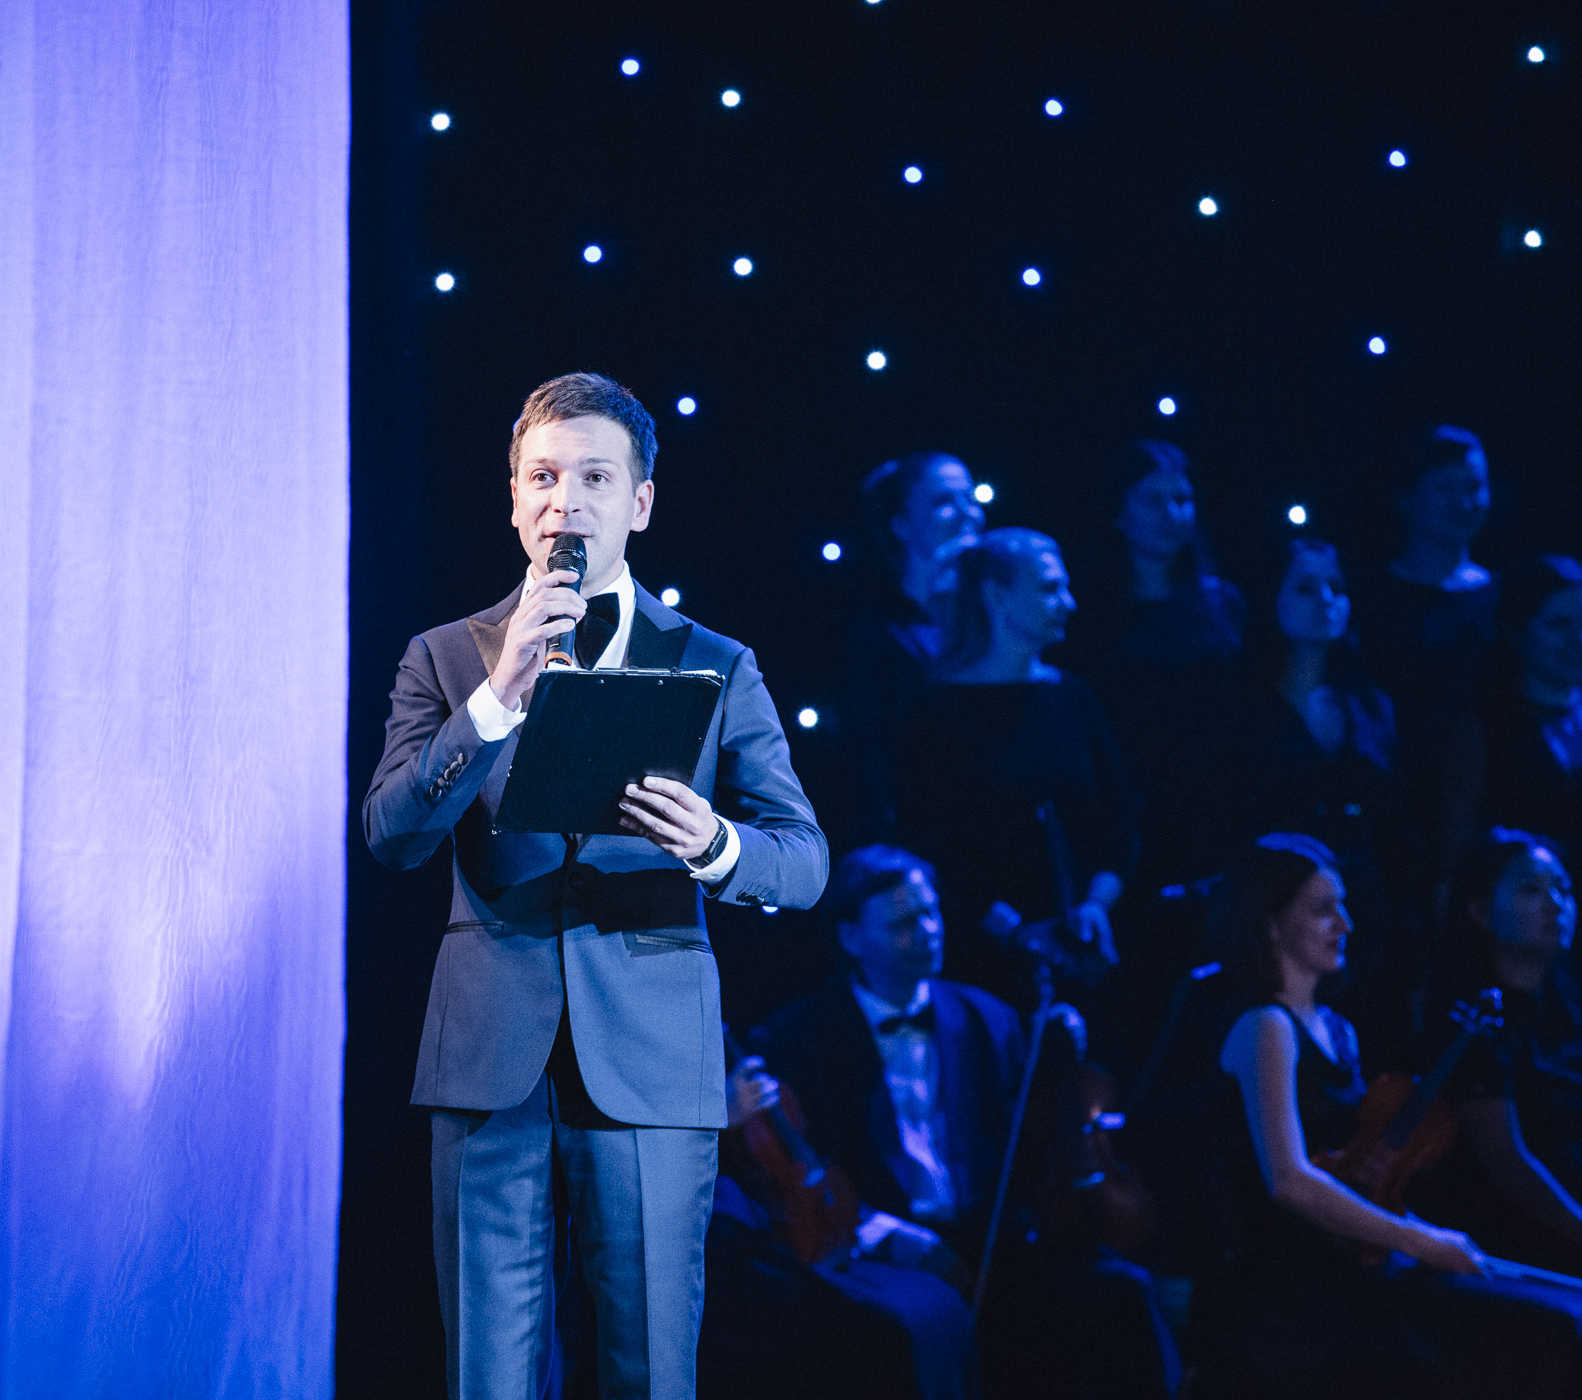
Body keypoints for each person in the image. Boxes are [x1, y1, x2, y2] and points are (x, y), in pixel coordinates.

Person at [364, 372, 829, 1400]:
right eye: (542, 477)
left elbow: (803, 859)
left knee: (649, 1367)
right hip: (490, 1063)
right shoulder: (446, 658)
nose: (564, 502)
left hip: (652, 1059)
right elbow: (391, 835)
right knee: (488, 1373)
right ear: (514, 500)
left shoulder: (714, 662)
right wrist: (497, 698)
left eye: (594, 477)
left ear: (641, 502)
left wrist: (715, 844)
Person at [709, 846, 1177, 1400]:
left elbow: (1024, 1153)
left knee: (1122, 1293)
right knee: (920, 1322)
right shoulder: (797, 1038)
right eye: (904, 923)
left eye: (931, 913)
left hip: (989, 1239)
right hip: (880, 1245)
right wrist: (898, 1239)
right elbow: (804, 1179)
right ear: (852, 937)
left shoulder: (990, 1018)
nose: (929, 931)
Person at [1202, 835, 1582, 1400]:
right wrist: (1421, 1240)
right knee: (1547, 1332)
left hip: (1359, 1261)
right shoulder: (1266, 1027)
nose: (1345, 924)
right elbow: (1290, 1180)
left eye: (1343, 906)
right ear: (1271, 925)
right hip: (1300, 1285)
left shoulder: (1339, 1031)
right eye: (1324, 910)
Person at [892, 530, 1138, 1005]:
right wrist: (1013, 928)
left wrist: (1095, 905)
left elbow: (1120, 819)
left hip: (1083, 950)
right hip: (980, 959)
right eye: (1049, 588)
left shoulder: (1072, 697)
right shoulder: (935, 714)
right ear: (997, 595)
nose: (1068, 603)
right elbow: (928, 842)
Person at [1232, 539, 1415, 1067]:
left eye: (1337, 587)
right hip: (1277, 898)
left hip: (1363, 894)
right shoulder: (1240, 702)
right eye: (1305, 588)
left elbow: (1395, 815)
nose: (1326, 601)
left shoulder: (1371, 702)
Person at [1065, 441, 1246, 891]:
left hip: (1219, 803)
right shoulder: (1086, 615)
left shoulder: (1223, 603)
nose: (1172, 514)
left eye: (1182, 500)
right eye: (1153, 500)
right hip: (1130, 810)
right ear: (1118, 513)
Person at [1416, 831, 1582, 1271]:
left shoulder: (1568, 1012)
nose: (1556, 904)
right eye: (1531, 889)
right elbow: (1507, 1163)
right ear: (1480, 910)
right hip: (1521, 1251)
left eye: (1563, 889)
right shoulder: (1472, 1022)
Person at [843, 453, 985, 845]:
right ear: (901, 524)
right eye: (944, 502)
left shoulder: (996, 616)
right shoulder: (874, 633)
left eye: (971, 498)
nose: (968, 514)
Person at [1356, 426, 1499, 809]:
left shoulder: (1506, 598)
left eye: (1474, 486)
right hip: (1391, 789)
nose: (1463, 502)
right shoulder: (1367, 597)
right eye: (1445, 487)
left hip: (1488, 794)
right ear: (1407, 495)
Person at [1441, 556, 1582, 868]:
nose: (1578, 639)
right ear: (1517, 631)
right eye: (1560, 624)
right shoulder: (1485, 724)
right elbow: (1457, 835)